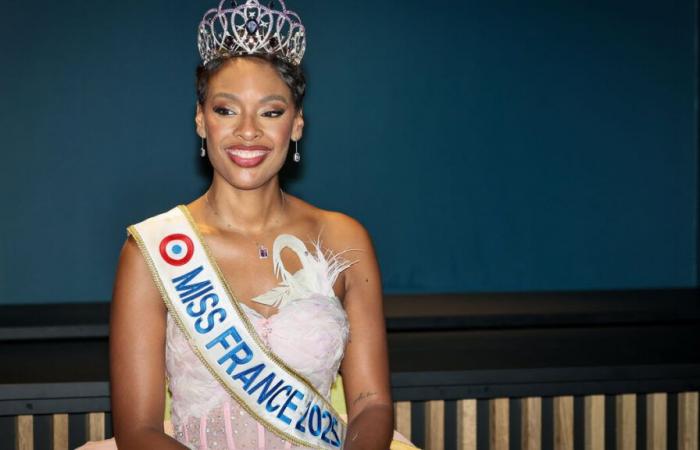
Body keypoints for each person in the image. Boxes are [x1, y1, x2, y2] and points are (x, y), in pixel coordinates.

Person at [81, 1, 417, 449]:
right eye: (226, 110)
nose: (247, 131)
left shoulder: (344, 239)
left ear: (296, 125)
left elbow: (371, 401)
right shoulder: (155, 250)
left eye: (271, 112)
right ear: (201, 121)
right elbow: (138, 430)